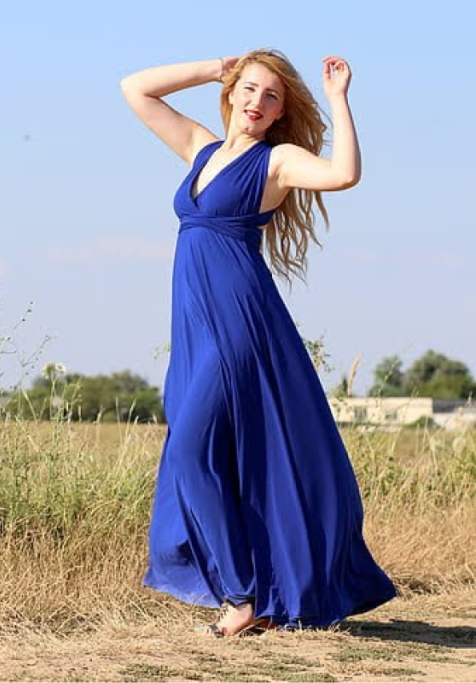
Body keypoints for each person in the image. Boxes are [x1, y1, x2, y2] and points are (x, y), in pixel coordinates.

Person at [120, 50, 396, 636]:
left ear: (279, 112)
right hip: (194, 329)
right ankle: (253, 594)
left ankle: (241, 597)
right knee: (201, 451)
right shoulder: (200, 147)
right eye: (248, 89)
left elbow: (344, 173)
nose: (256, 102)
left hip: (241, 325)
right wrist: (215, 66)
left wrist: (341, 99)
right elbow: (135, 88)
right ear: (230, 94)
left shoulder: (278, 162)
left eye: (270, 96)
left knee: (194, 449)